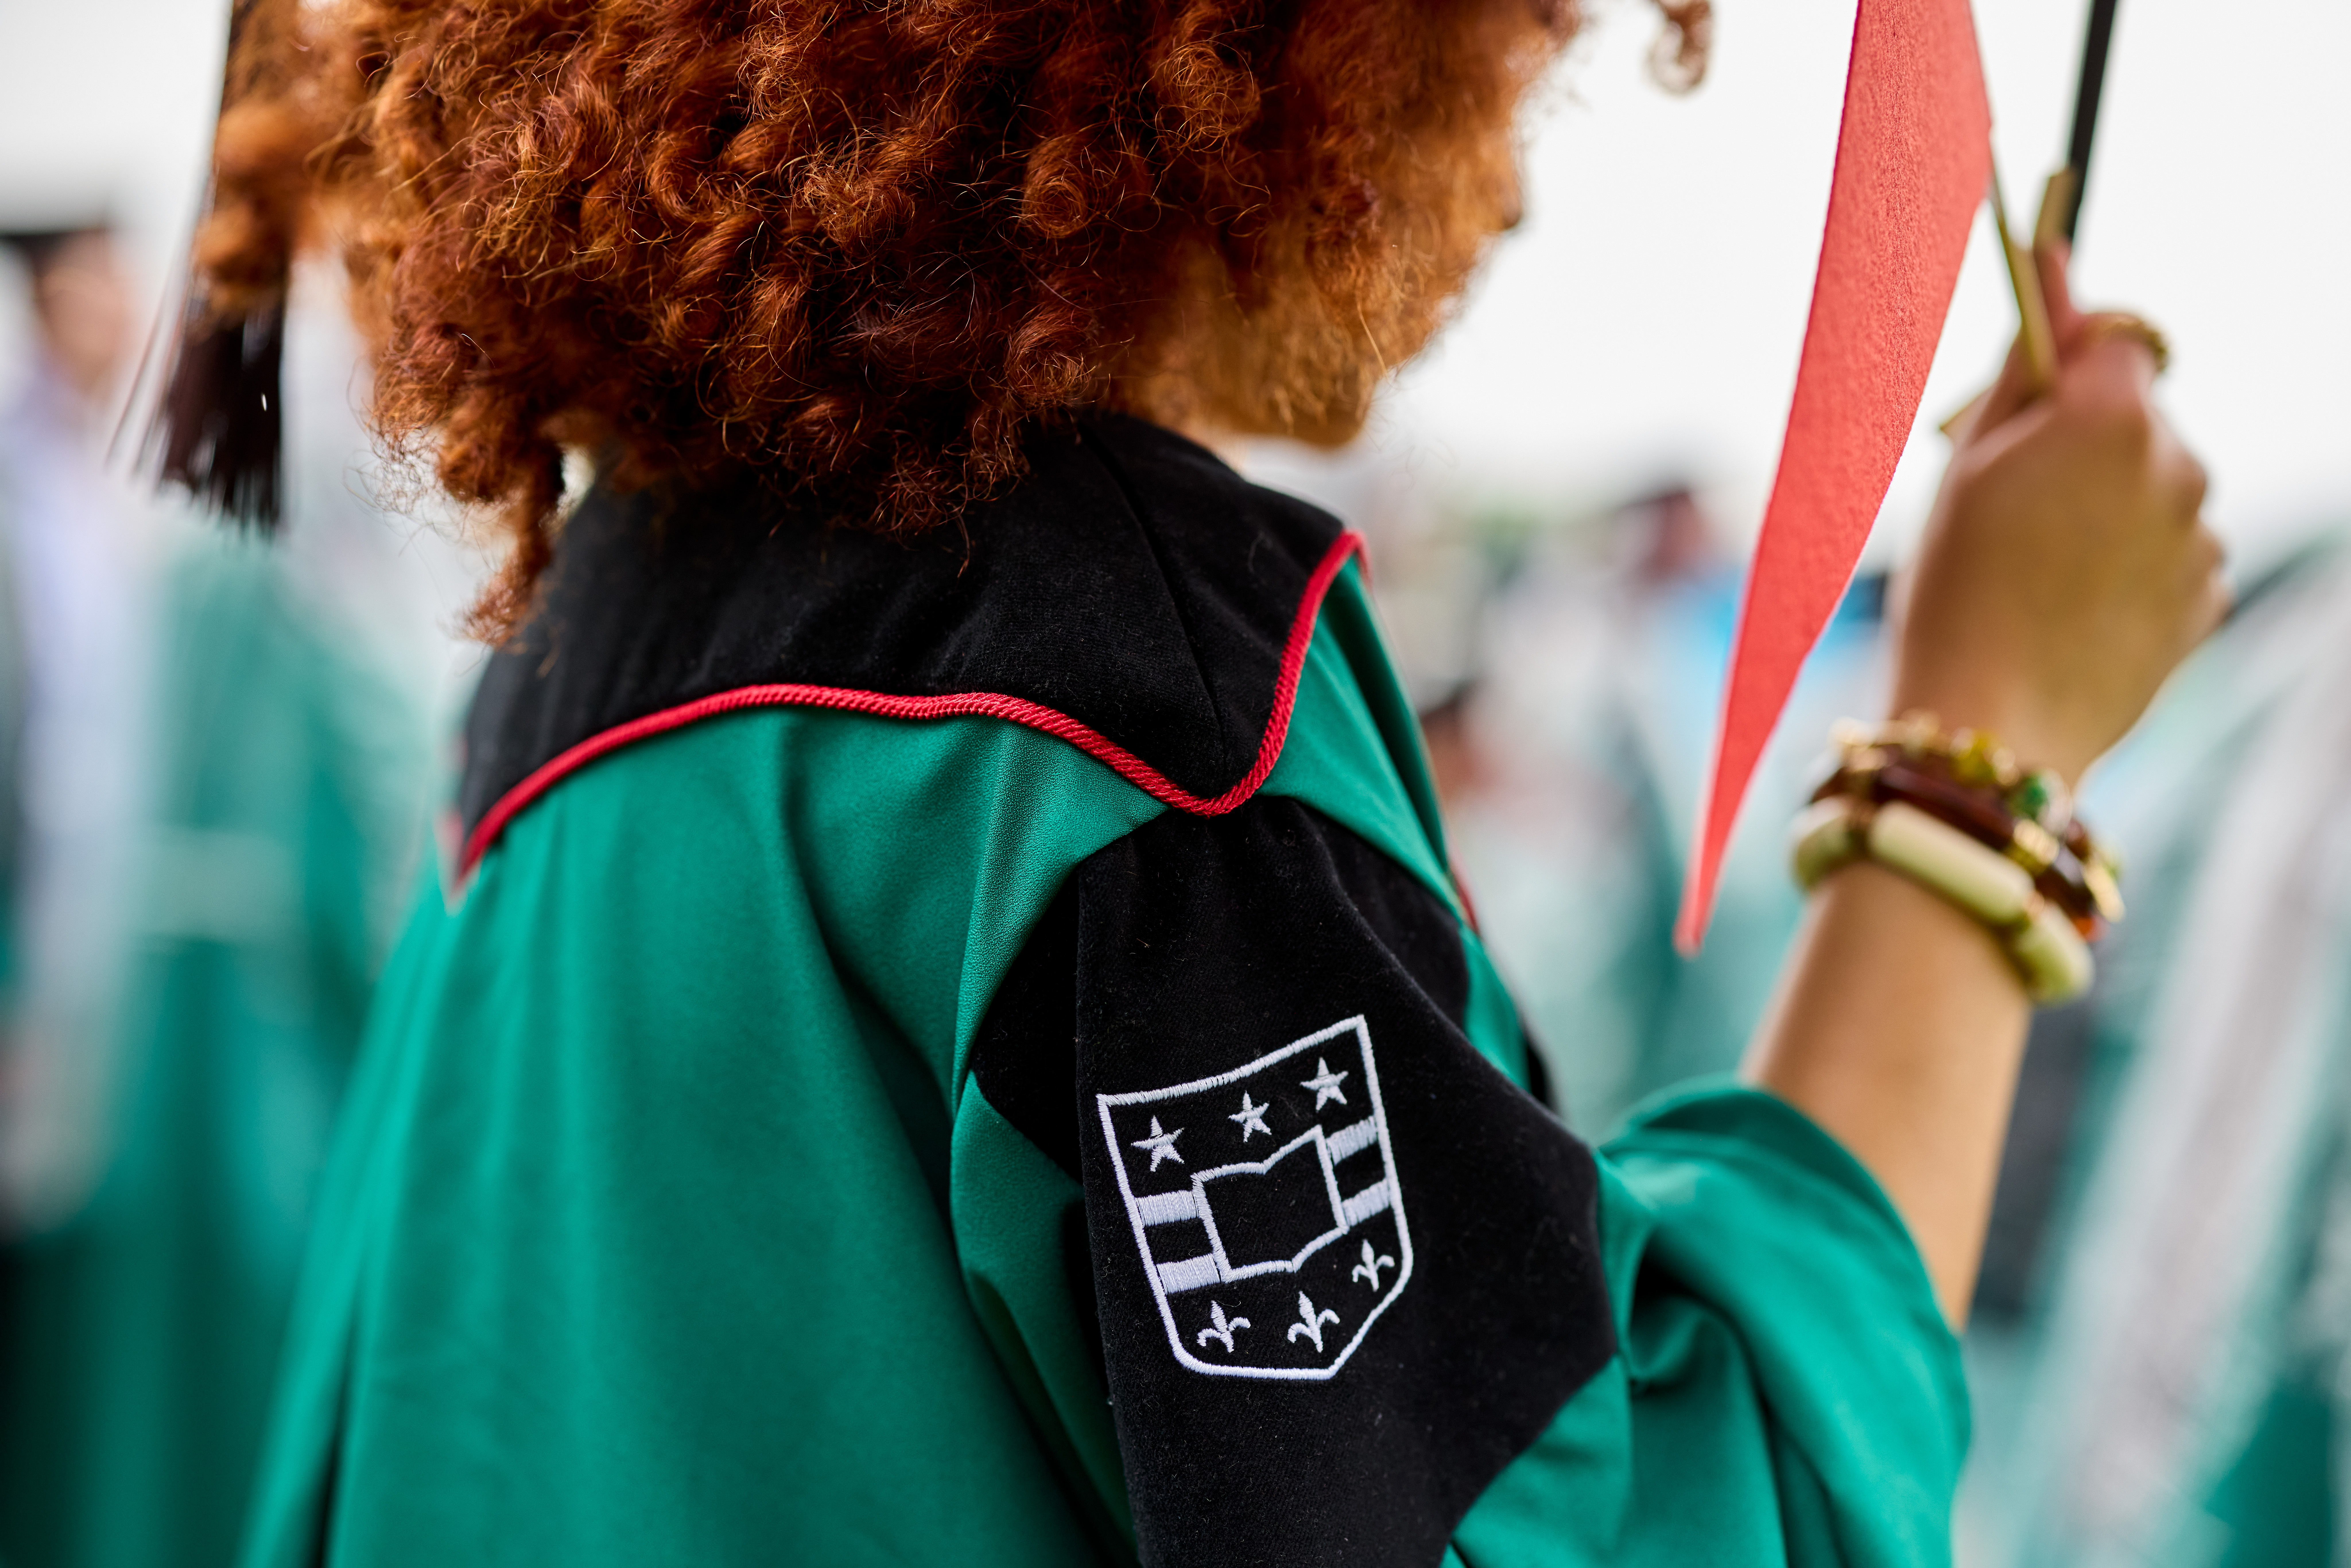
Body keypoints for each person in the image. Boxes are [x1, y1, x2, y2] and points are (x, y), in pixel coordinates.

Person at [165, 0, 2223, 1561]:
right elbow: (1629, 1514)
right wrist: (1984, 750)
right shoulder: (1127, 730)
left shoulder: (557, 690)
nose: (1536, 103)